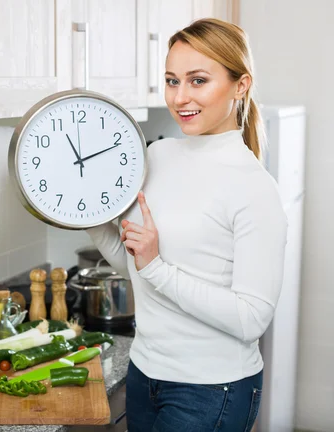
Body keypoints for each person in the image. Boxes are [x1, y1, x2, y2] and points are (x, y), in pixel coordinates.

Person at [86, 18, 288, 431]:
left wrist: (157, 267)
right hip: (145, 374)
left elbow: (252, 318)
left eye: (198, 81)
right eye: (171, 80)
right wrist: (84, 213)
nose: (180, 97)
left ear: (241, 85)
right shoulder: (157, 156)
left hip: (211, 390)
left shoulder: (254, 188)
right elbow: (133, 261)